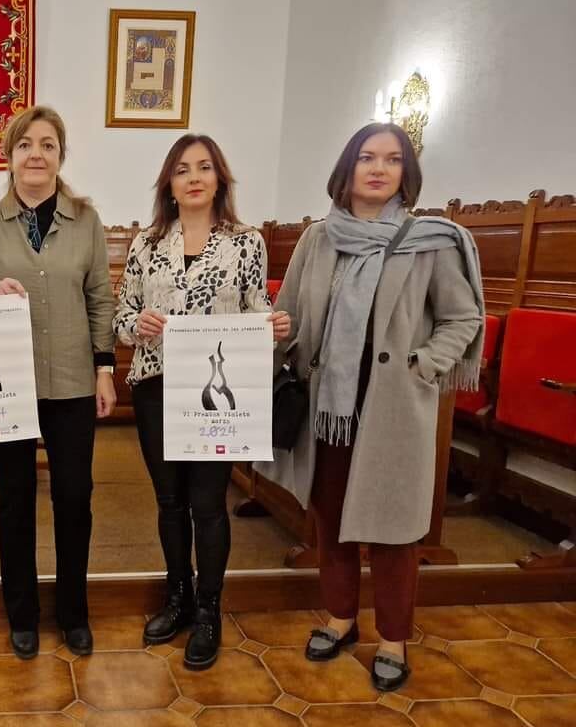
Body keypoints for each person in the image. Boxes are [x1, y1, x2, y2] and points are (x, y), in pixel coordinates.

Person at [258, 123, 484, 691]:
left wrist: (423, 366)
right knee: (330, 520)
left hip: (392, 409)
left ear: (406, 172)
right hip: (325, 405)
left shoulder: (430, 241)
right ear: (347, 169)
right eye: (366, 158)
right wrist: (278, 330)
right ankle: (339, 619)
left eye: (392, 159)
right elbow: (289, 319)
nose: (378, 168)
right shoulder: (318, 238)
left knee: (393, 530)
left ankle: (393, 638)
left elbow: (463, 318)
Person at [114, 134, 291, 670]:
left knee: (208, 503)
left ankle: (210, 609)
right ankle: (178, 598)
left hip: (218, 394)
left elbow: (257, 311)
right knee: (170, 501)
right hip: (156, 385)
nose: (194, 177)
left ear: (220, 178)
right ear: (168, 183)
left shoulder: (246, 241)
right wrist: (137, 326)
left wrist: (275, 325)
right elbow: (121, 321)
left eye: (204, 167)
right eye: (182, 169)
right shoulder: (146, 243)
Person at [0, 105, 116, 659]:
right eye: (25, 144)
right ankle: (21, 613)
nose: (35, 154)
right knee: (17, 500)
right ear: (10, 155)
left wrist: (105, 369)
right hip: (7, 384)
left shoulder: (86, 220)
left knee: (75, 497)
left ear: (59, 156)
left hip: (74, 380)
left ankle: (73, 612)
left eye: (47, 144)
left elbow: (100, 297)